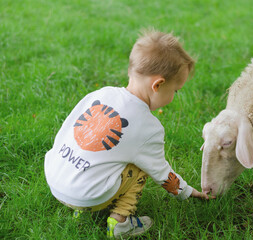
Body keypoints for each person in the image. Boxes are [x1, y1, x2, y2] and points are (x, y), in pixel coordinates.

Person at [44, 29, 207, 238]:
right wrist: (188, 192)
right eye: (176, 90)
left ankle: (80, 209)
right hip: (88, 196)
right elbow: (161, 172)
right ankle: (121, 222)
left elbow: (66, 131)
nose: (175, 96)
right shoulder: (149, 127)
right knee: (141, 166)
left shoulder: (100, 94)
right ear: (158, 85)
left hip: (55, 180)